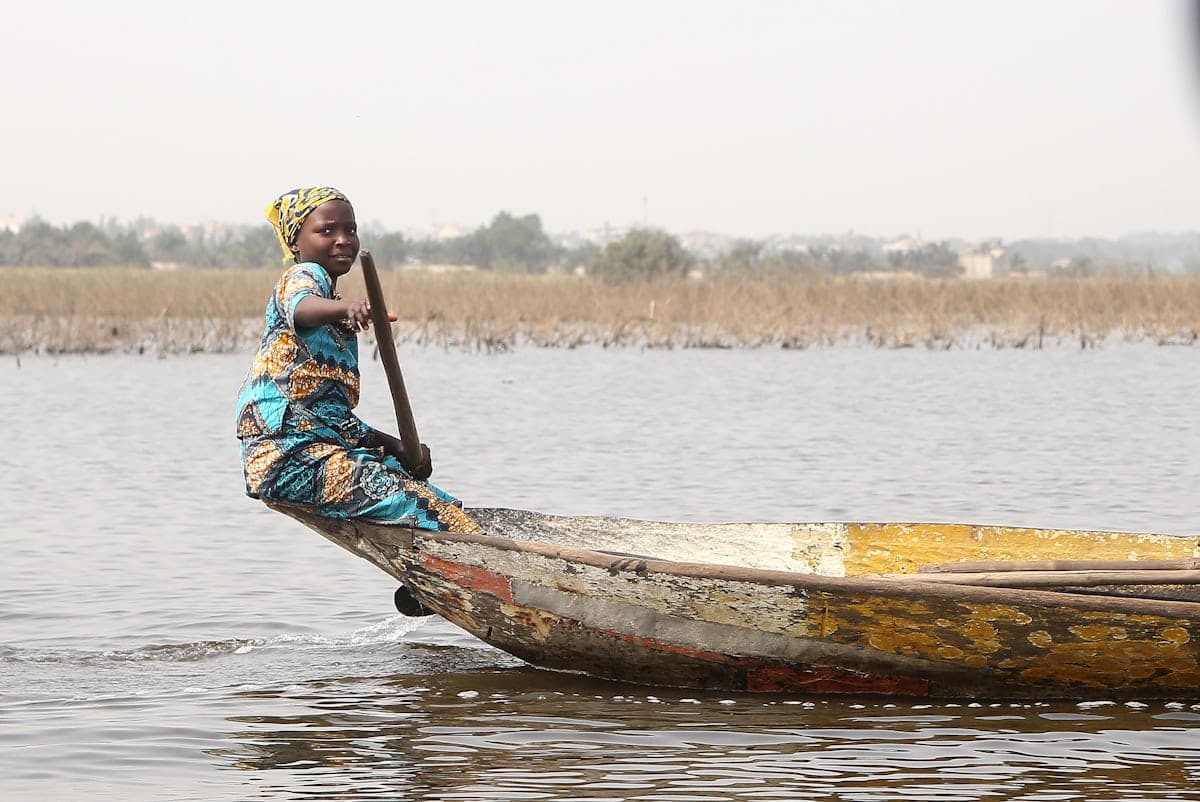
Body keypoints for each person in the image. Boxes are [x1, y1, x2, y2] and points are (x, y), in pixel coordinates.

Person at [235, 186, 482, 534]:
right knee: (421, 507)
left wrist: (400, 450)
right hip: (286, 458)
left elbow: (332, 418)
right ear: (296, 243)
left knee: (425, 496)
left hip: (313, 451)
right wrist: (348, 307)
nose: (342, 240)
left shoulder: (333, 322)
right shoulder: (305, 276)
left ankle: (427, 580)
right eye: (326, 230)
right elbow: (300, 304)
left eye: (350, 230)